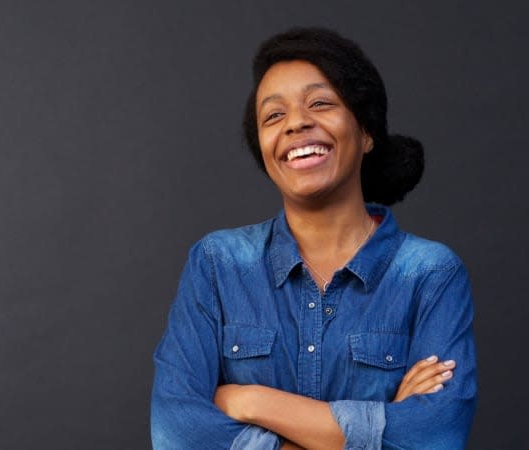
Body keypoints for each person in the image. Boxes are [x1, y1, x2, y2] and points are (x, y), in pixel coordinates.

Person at [150, 27, 477, 449]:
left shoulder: (431, 274)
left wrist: (251, 400)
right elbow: (175, 433)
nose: (297, 123)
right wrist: (380, 429)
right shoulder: (217, 263)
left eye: (320, 103)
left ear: (366, 132)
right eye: (273, 115)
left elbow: (437, 436)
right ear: (265, 150)